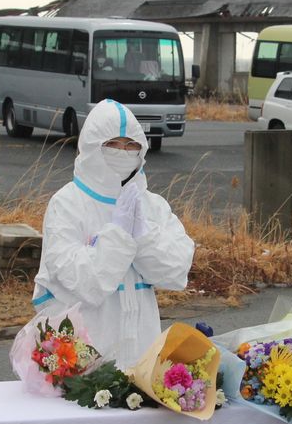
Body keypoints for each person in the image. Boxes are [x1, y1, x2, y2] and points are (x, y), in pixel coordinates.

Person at [31, 98, 194, 367]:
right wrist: (118, 236)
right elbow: (85, 282)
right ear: (93, 146)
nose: (123, 151)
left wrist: (141, 235)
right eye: (113, 144)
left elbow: (176, 271)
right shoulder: (68, 204)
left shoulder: (151, 205)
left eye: (131, 145)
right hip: (83, 354)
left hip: (143, 348)